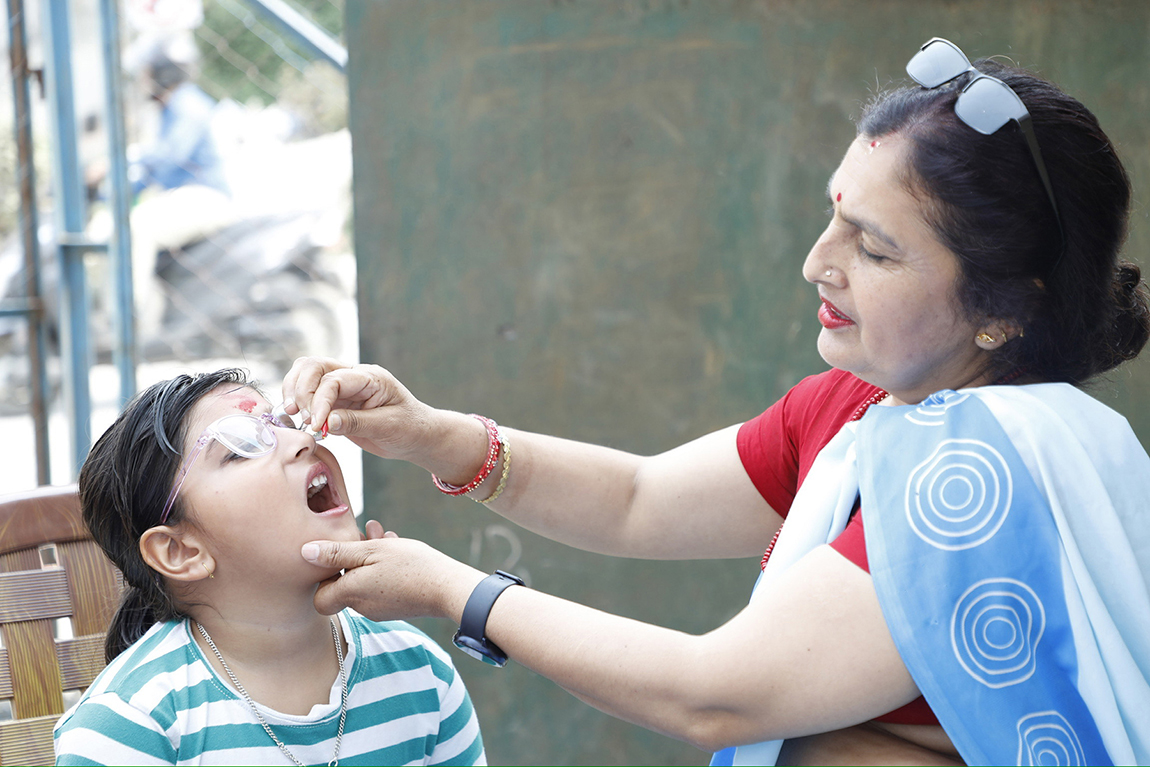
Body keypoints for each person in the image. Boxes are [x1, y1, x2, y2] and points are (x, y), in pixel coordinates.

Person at [283, 37, 1150, 766]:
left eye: (874, 251)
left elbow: (713, 698)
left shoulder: (977, 486)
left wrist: (451, 590)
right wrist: (434, 435)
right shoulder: (860, 407)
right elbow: (639, 501)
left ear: (1003, 310)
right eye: (833, 215)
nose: (818, 262)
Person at [54, 368, 486, 766]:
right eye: (241, 447)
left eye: (282, 424)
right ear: (181, 552)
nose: (303, 440)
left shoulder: (420, 671)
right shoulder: (131, 727)